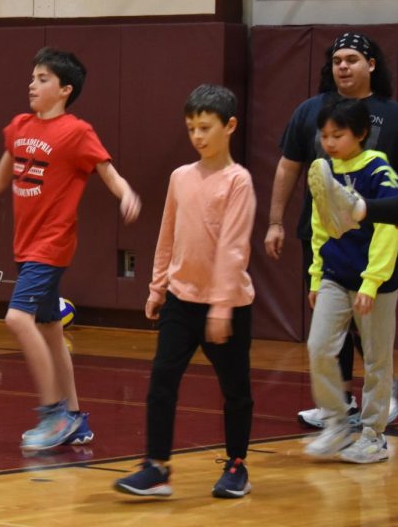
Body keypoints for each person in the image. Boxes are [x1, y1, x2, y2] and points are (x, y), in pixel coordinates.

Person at [0, 47, 140, 451]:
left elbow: (107, 171)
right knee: (48, 329)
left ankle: (53, 414)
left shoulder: (77, 132)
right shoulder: (19, 127)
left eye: (43, 79)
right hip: (26, 245)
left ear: (64, 90)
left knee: (16, 318)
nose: (32, 84)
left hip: (52, 245)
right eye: (32, 77)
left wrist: (126, 193)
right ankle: (76, 418)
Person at [113, 85, 255, 499]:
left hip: (226, 306)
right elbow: (167, 235)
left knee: (235, 390)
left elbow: (233, 247)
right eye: (191, 127)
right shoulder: (180, 177)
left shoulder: (238, 182)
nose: (197, 135)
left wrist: (222, 307)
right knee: (161, 381)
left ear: (229, 126)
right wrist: (157, 287)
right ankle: (156, 467)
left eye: (205, 127)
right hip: (180, 300)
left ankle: (236, 465)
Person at [264, 32, 398, 427]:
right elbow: (288, 165)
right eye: (336, 60)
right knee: (329, 331)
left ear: (371, 65)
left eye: (352, 59)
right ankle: (339, 404)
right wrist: (275, 221)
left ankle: (379, 400)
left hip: (377, 238)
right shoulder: (311, 110)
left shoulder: (394, 117)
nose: (343, 66)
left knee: (371, 329)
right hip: (326, 236)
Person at [302, 97, 398, 463]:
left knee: (376, 359)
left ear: (360, 133)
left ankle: (374, 435)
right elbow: (319, 227)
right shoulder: (323, 170)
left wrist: (372, 282)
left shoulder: (378, 170)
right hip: (333, 276)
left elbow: (390, 228)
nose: (329, 142)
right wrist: (315, 277)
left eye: (338, 134)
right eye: (324, 135)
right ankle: (336, 422)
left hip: (374, 281)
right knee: (319, 347)